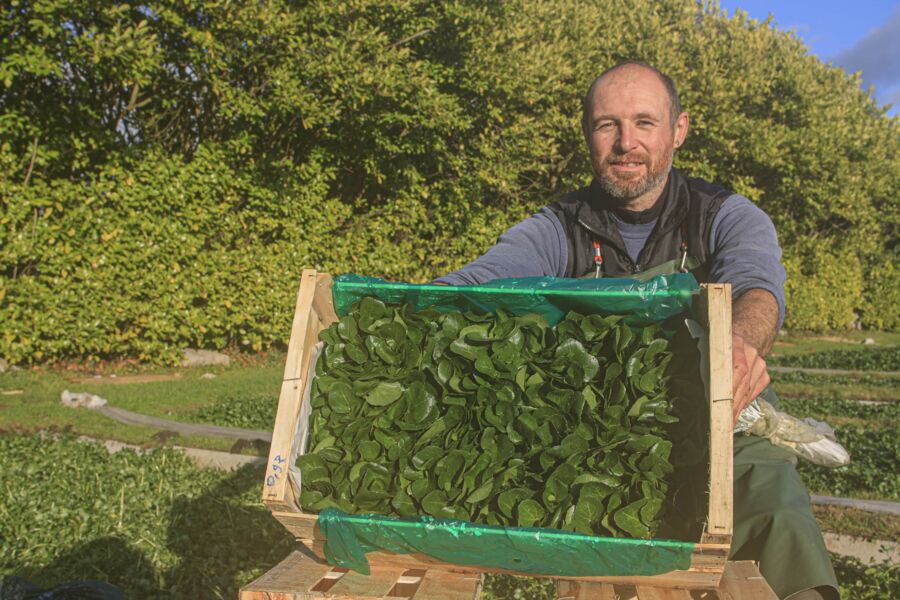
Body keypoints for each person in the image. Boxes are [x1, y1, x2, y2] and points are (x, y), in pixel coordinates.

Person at [435, 61, 839, 600]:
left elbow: (756, 284)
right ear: (588, 134)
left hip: (722, 419)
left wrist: (738, 344)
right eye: (608, 125)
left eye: (645, 122)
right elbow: (482, 279)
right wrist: (412, 305)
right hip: (594, 435)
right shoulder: (559, 226)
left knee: (776, 505)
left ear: (678, 129)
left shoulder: (723, 215)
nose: (627, 142)